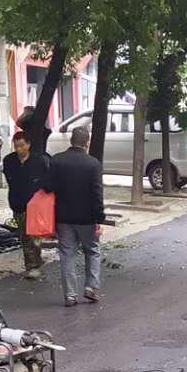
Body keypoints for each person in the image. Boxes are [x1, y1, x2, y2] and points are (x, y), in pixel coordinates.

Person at [42, 122, 105, 305]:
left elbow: (47, 186)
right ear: (87, 142)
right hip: (87, 218)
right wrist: (99, 217)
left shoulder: (57, 160)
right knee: (92, 251)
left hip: (63, 217)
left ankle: (70, 295)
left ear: (71, 140)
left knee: (67, 254)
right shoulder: (93, 164)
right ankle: (91, 287)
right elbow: (97, 193)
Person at [3, 127, 45, 278]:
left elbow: (44, 182)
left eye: (22, 145)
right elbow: (10, 180)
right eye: (16, 146)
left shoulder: (39, 161)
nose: (19, 149)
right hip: (17, 202)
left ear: (28, 144)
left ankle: (33, 266)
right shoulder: (9, 160)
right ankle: (34, 261)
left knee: (33, 235)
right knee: (24, 235)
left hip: (35, 204)